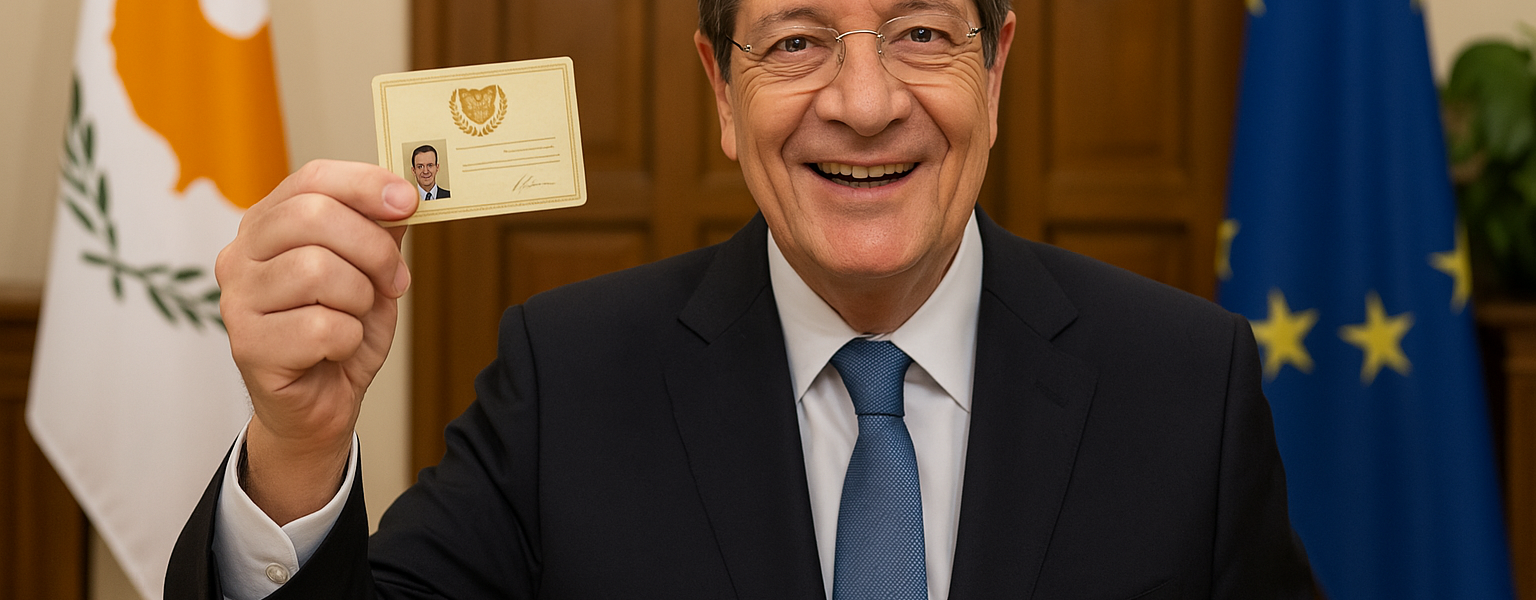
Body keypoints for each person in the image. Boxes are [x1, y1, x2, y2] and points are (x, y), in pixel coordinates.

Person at [167, 0, 1318, 597]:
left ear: (996, 69)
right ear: (721, 88)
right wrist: (299, 452)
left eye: (921, 33)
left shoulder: (1187, 383)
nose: (863, 104)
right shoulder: (564, 382)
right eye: (798, 40)